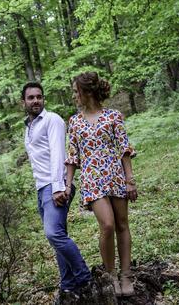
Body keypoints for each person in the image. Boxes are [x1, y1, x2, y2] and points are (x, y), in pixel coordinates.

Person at [65, 72, 137, 296]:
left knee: (122, 224)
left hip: (115, 175)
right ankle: (111, 275)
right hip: (91, 179)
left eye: (77, 91)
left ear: (87, 92)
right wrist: (67, 185)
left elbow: (124, 149)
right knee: (107, 225)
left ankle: (126, 276)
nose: (75, 96)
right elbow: (72, 156)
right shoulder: (74, 121)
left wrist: (130, 180)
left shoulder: (113, 116)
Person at [22, 82, 92, 295]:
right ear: (23, 102)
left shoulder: (52, 120)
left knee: (54, 234)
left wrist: (59, 187)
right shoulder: (29, 126)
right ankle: (68, 284)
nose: (36, 100)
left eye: (39, 97)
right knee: (58, 237)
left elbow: (58, 154)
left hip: (55, 186)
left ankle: (84, 277)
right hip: (41, 188)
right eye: (31, 97)